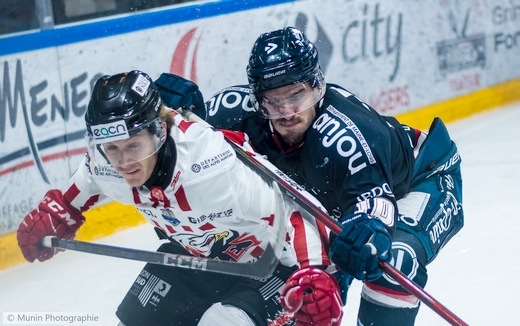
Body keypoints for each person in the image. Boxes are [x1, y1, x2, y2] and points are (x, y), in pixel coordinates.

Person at [180, 26, 464, 325]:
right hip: (332, 201)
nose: (288, 112)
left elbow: (375, 204)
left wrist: (366, 231)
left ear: (317, 86)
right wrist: (165, 109)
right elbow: (173, 135)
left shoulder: (348, 136)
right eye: (274, 101)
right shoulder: (233, 110)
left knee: (395, 257)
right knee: (308, 295)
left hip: (418, 182)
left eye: (297, 96)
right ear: (257, 97)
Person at [16, 70, 345, 326]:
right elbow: (82, 185)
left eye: (133, 145)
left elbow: (297, 213)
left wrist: (313, 275)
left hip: (275, 267)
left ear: (158, 131)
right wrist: (56, 213)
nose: (125, 161)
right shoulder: (107, 163)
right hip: (200, 259)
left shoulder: (210, 167)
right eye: (113, 149)